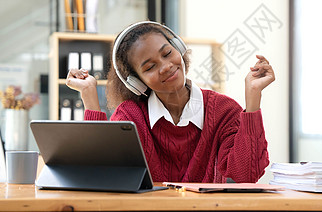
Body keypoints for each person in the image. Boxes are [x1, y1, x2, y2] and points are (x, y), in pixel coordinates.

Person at [66, 21, 275, 183]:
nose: (166, 66)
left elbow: (246, 175)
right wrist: (90, 98)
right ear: (136, 82)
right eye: (149, 67)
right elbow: (102, 173)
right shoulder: (131, 117)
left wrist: (253, 97)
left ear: (179, 49)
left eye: (167, 53)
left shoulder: (224, 111)